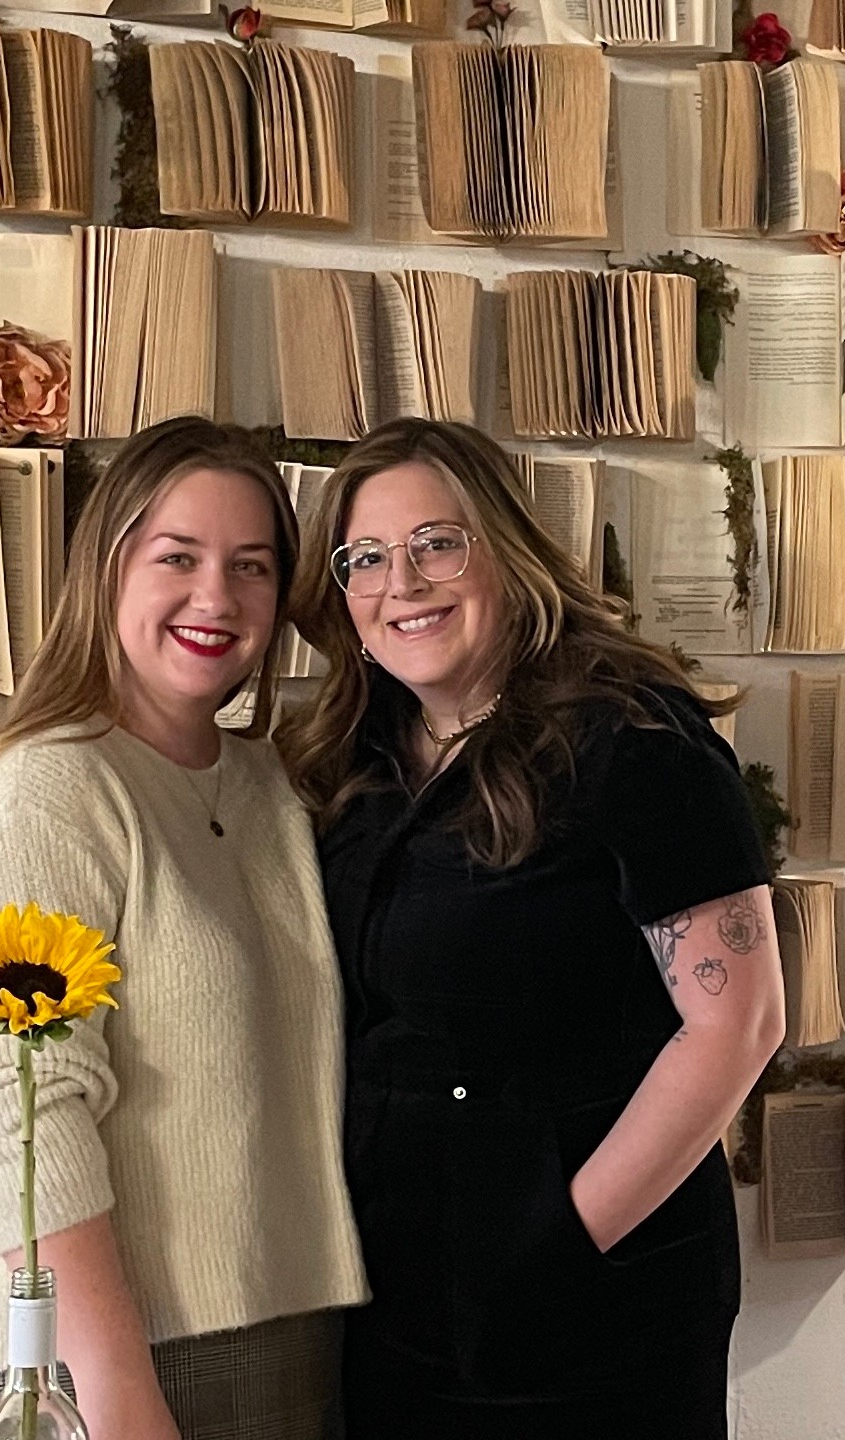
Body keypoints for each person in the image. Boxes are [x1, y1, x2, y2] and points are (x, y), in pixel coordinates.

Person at [279, 418, 785, 1439]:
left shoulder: (634, 739)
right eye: (364, 557)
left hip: (588, 1298)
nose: (401, 582)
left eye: (436, 543)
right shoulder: (353, 755)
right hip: (394, 1293)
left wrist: (554, 1242)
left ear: (505, 550)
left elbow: (739, 1024)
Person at [0, 417, 367, 1440]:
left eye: (251, 566)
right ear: (107, 568)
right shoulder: (45, 792)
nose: (218, 597)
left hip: (283, 1346)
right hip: (96, 1369)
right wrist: (114, 1387)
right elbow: (10, 1103)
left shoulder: (272, 790)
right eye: (178, 557)